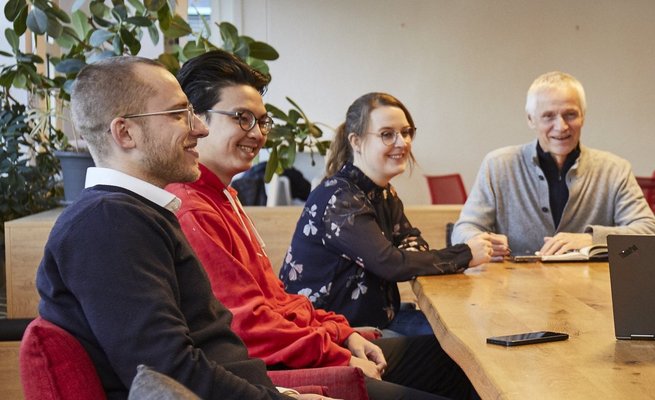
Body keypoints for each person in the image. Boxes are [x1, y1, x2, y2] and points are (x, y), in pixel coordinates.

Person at [168, 51, 475, 399]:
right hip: (283, 369)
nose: (256, 133)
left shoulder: (225, 197)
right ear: (197, 120)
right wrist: (339, 348)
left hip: (319, 336)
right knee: (459, 354)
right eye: (242, 118)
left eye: (261, 121)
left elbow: (277, 300)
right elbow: (248, 326)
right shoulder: (194, 208)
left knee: (460, 357)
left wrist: (342, 334)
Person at [35, 56, 321, 399]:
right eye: (178, 115)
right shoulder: (108, 224)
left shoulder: (136, 213)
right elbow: (167, 375)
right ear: (125, 133)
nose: (199, 129)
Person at [281, 92, 492, 341]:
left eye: (406, 132)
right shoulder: (340, 198)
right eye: (387, 134)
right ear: (356, 142)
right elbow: (391, 263)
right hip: (333, 335)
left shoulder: (382, 192)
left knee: (468, 328)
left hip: (376, 320)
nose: (402, 142)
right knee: (462, 342)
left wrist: (406, 256)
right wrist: (465, 254)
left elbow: (412, 242)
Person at [451, 71, 655, 256]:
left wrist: (590, 239)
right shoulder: (497, 166)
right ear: (531, 120)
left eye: (570, 115)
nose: (561, 126)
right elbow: (463, 230)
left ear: (583, 117)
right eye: (548, 116)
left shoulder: (614, 170)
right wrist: (481, 242)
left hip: (591, 293)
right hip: (514, 292)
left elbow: (649, 232)